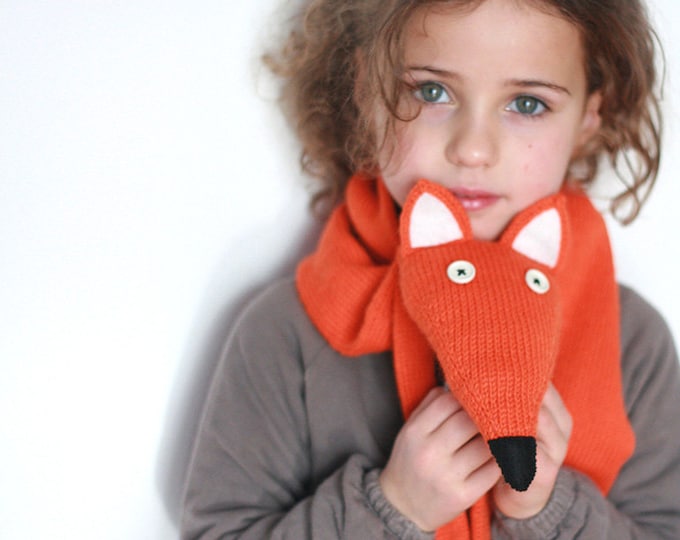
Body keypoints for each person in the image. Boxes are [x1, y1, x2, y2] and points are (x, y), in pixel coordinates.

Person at [180, 0, 680, 538]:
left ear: (588, 117)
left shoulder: (633, 341)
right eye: (432, 92)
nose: (473, 150)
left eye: (527, 103)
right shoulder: (287, 331)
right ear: (365, 92)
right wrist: (393, 509)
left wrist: (548, 511)